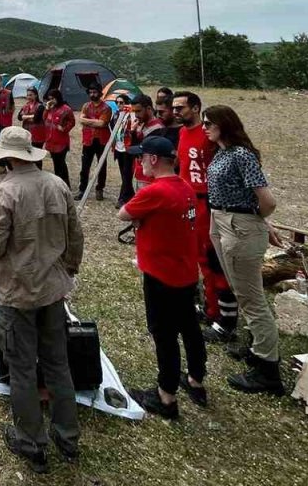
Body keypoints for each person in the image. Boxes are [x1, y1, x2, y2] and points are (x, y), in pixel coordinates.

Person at [0, 126, 84, 474]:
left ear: (7, 157)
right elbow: (75, 235)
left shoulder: (6, 191)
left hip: (19, 292)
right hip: (53, 289)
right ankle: (68, 438)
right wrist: (68, 269)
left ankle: (31, 442)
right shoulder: (58, 184)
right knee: (57, 363)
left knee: (23, 368)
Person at [118, 135, 207, 419]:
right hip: (185, 272)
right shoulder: (185, 187)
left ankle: (165, 396)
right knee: (190, 327)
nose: (140, 162)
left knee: (164, 334)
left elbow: (124, 213)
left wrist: (139, 220)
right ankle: (196, 379)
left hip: (160, 274)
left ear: (153, 160)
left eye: (141, 157)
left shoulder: (154, 191)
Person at [204, 105, 283, 394]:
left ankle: (267, 369)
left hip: (239, 225)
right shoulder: (221, 153)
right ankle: (257, 347)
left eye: (209, 123)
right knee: (241, 291)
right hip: (221, 219)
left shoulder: (241, 155)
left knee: (252, 298)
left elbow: (267, 201)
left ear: (225, 124)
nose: (204, 127)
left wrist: (258, 222)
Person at [174, 91, 237, 340]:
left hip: (209, 202)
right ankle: (211, 310)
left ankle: (227, 320)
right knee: (200, 257)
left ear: (196, 108)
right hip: (190, 201)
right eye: (174, 107)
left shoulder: (209, 134)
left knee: (215, 259)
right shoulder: (182, 133)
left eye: (182, 107)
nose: (176, 111)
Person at [77, 85, 111, 199]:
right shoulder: (86, 106)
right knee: (85, 166)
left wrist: (88, 121)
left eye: (95, 92)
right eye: (90, 92)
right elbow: (81, 119)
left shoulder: (106, 108)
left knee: (101, 165)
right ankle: (82, 190)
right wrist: (94, 121)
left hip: (101, 140)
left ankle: (100, 189)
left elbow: (102, 124)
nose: (92, 94)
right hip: (88, 139)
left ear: (100, 93)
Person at [129, 94, 163, 194]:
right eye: (134, 111)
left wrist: (133, 133)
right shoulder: (142, 123)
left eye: (138, 111)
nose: (136, 115)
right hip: (141, 173)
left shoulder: (157, 128)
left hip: (150, 176)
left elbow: (141, 150)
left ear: (148, 108)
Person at [42, 90, 76, 187]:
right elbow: (44, 119)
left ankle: (65, 184)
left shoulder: (66, 109)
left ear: (58, 97)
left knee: (61, 163)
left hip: (61, 141)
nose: (51, 101)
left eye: (53, 98)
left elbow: (72, 122)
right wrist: (47, 109)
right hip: (51, 140)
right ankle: (58, 184)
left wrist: (64, 128)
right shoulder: (50, 108)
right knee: (56, 163)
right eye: (49, 99)